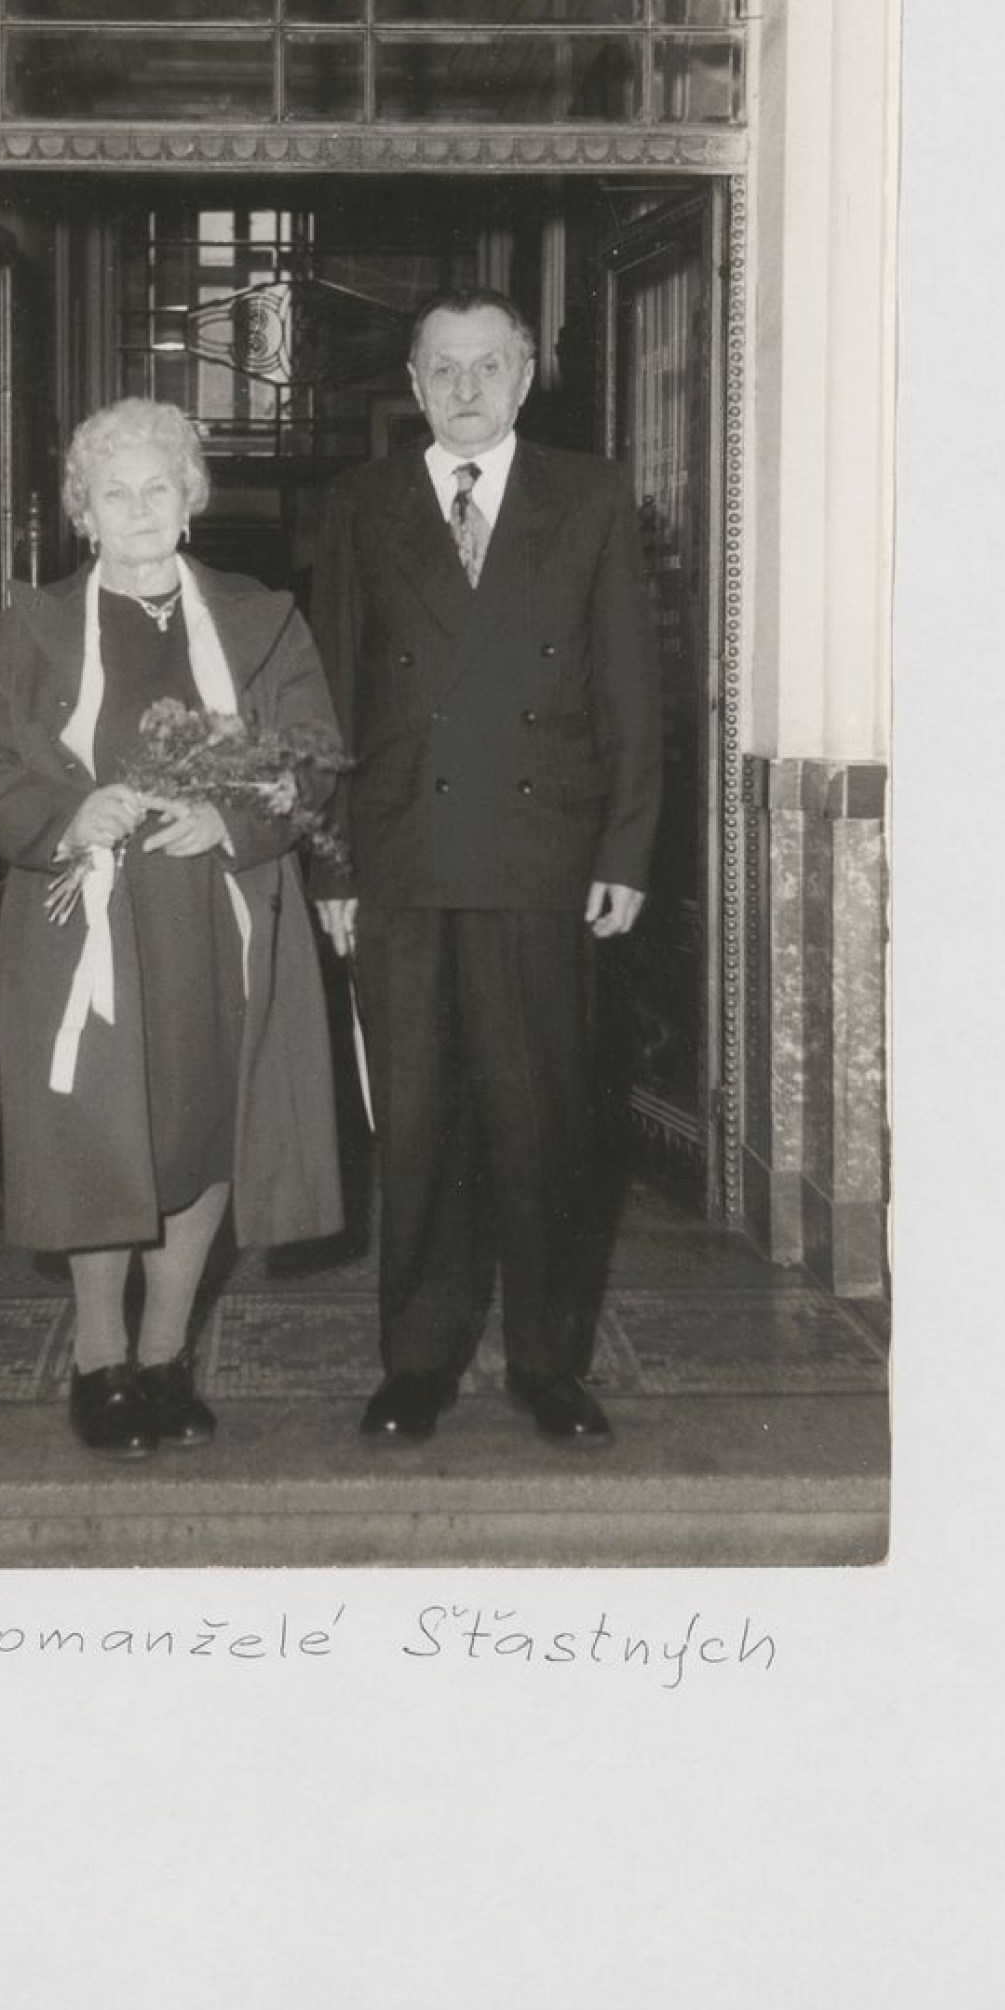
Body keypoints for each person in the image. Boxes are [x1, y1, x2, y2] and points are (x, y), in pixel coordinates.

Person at [0, 398, 343, 1460]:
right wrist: (68, 813)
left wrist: (233, 819)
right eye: (113, 492)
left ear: (191, 500)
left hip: (217, 916)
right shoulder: (29, 629)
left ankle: (166, 1358)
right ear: (82, 512)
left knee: (202, 1127)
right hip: (81, 922)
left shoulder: (262, 619)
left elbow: (312, 753)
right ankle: (99, 1360)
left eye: (157, 488)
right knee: (96, 1129)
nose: (137, 509)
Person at [312, 289, 662, 1450]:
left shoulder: (591, 496)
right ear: (413, 386)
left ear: (523, 378)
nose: (465, 390)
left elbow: (627, 688)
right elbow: (332, 701)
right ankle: (416, 1362)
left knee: (539, 1122)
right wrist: (333, 867)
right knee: (416, 1126)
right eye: (443, 369)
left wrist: (623, 848)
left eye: (487, 366)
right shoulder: (359, 505)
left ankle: (547, 1364)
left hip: (540, 855)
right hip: (400, 856)